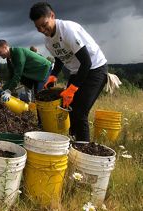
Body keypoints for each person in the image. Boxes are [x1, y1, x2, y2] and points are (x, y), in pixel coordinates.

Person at [29, 2, 108, 141]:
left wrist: (71, 89)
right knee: (68, 108)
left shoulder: (68, 30)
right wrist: (53, 75)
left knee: (79, 113)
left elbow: (86, 62)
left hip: (95, 68)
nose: (42, 29)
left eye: (44, 24)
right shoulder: (48, 42)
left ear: (52, 16)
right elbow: (59, 58)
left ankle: (83, 150)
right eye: (38, 27)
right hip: (77, 71)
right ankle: (72, 142)